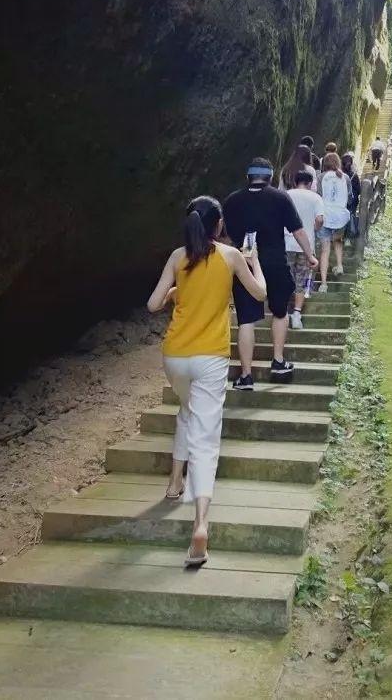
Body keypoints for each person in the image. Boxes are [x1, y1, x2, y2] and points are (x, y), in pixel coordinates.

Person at [147, 195, 267, 566]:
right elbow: (260, 293)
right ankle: (200, 526)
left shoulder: (177, 257)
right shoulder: (230, 256)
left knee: (186, 409)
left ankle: (174, 481)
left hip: (175, 355)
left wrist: (173, 291)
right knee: (206, 438)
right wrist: (255, 262)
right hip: (211, 357)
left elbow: (153, 305)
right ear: (218, 225)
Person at [222, 158, 318, 390]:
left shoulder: (232, 200)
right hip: (275, 261)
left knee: (246, 319)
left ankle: (246, 376)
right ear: (271, 177)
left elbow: (225, 236)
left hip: (244, 261)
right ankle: (277, 360)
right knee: (279, 312)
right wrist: (310, 255)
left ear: (248, 177)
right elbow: (298, 231)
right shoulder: (279, 198)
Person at [285, 169, 324, 329]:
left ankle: (283, 312)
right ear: (309, 183)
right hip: (306, 244)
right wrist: (313, 227)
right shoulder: (315, 198)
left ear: (295, 182)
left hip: (286, 243)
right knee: (301, 279)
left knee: (285, 278)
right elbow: (320, 219)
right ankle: (296, 314)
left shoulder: (286, 195)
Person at [317, 152, 351, 292]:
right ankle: (340, 265)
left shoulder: (321, 177)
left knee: (325, 250)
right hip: (341, 217)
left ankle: (324, 284)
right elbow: (349, 197)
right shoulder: (346, 177)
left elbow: (318, 196)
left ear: (325, 163)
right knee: (338, 241)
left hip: (325, 216)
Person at [341, 151, 361, 240]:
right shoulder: (354, 175)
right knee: (351, 215)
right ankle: (348, 238)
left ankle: (340, 236)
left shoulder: (338, 175)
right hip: (352, 199)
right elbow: (359, 190)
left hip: (341, 199)